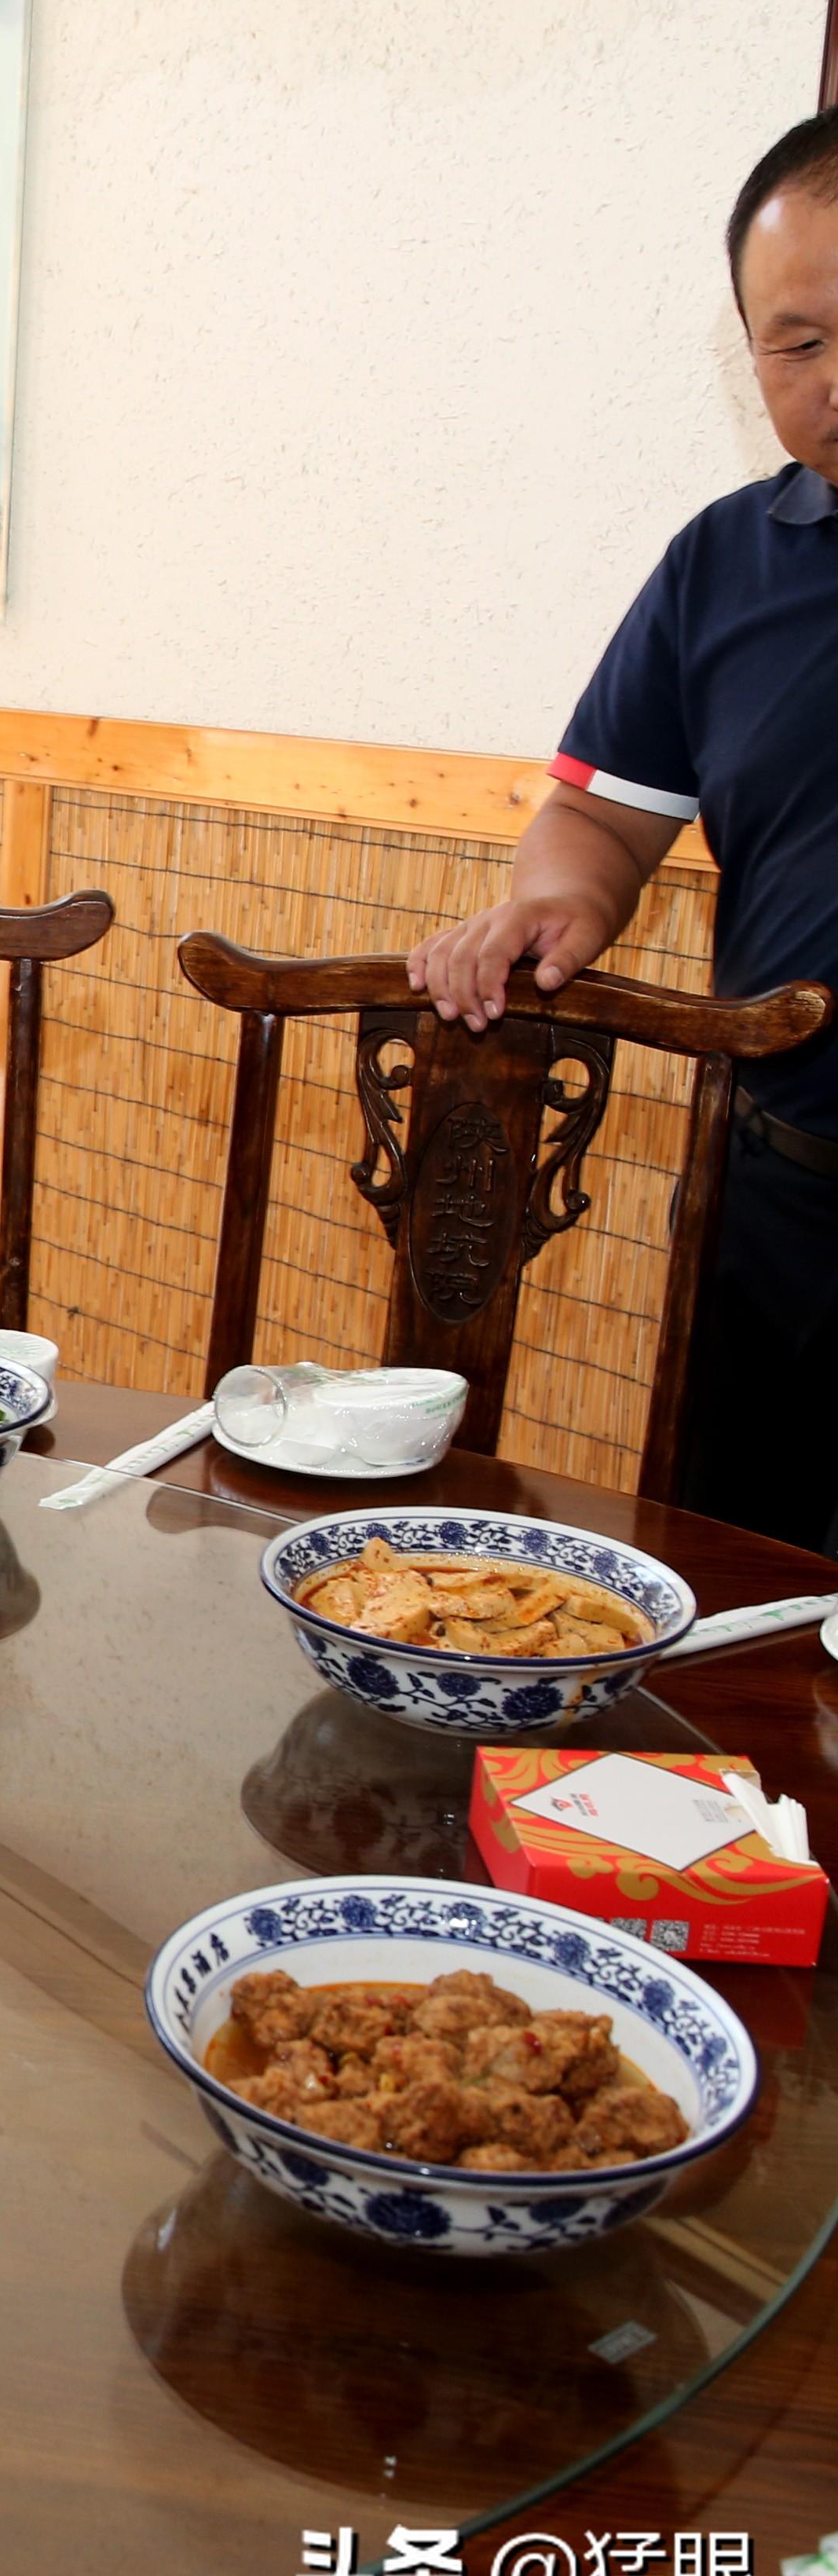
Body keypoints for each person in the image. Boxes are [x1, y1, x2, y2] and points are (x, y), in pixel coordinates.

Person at [408, 108, 838, 1552]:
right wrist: (561, 898)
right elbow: (598, 811)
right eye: (796, 343)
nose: (836, 380)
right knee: (736, 1604)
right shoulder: (724, 564)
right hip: (780, 1205)